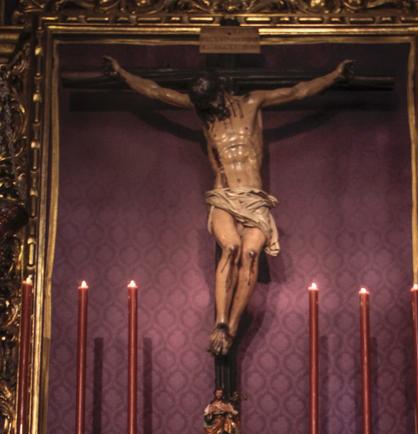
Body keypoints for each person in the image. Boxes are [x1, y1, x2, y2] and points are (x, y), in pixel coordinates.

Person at [104, 57, 353, 355]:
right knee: (231, 248)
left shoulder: (252, 102)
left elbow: (298, 91)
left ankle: (231, 326)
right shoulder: (205, 112)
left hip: (254, 196)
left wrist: (335, 75)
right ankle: (220, 321)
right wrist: (122, 73)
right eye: (203, 105)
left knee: (250, 254)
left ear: (221, 90)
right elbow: (157, 92)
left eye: (211, 102)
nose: (209, 109)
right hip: (224, 194)